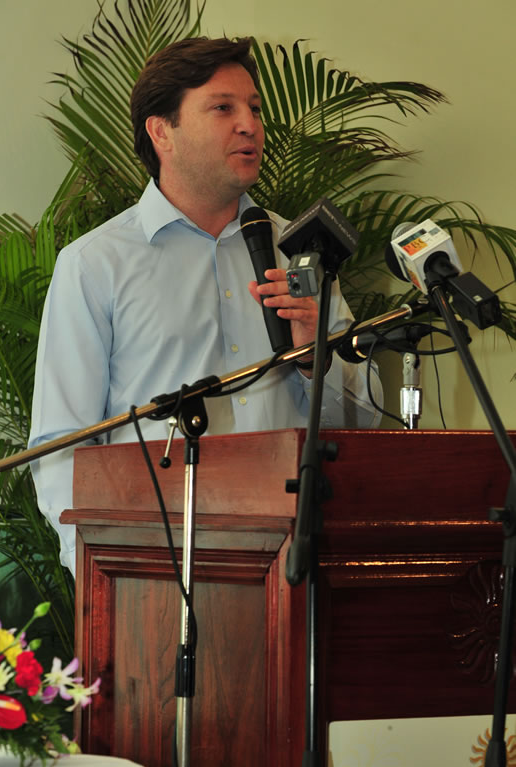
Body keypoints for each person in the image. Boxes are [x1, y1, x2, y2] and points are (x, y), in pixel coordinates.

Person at [28, 37, 383, 576]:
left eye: (255, 109)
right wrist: (103, 573)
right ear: (161, 130)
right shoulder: (95, 264)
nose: (251, 125)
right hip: (153, 573)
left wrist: (318, 359)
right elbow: (61, 447)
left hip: (291, 571)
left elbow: (371, 422)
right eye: (223, 107)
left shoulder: (299, 253)